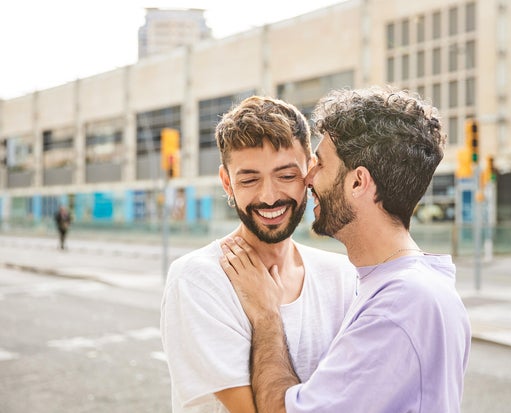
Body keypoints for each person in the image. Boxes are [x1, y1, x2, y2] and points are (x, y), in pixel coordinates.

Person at [221, 87, 471, 412]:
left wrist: (266, 315)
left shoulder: (398, 306)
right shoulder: (403, 285)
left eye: (320, 164)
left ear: (358, 182)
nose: (307, 177)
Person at [160, 96, 357, 413]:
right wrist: (266, 317)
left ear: (309, 171)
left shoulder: (341, 275)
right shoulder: (198, 278)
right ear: (227, 182)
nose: (269, 197)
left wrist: (267, 313)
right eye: (249, 179)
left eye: (286, 176)